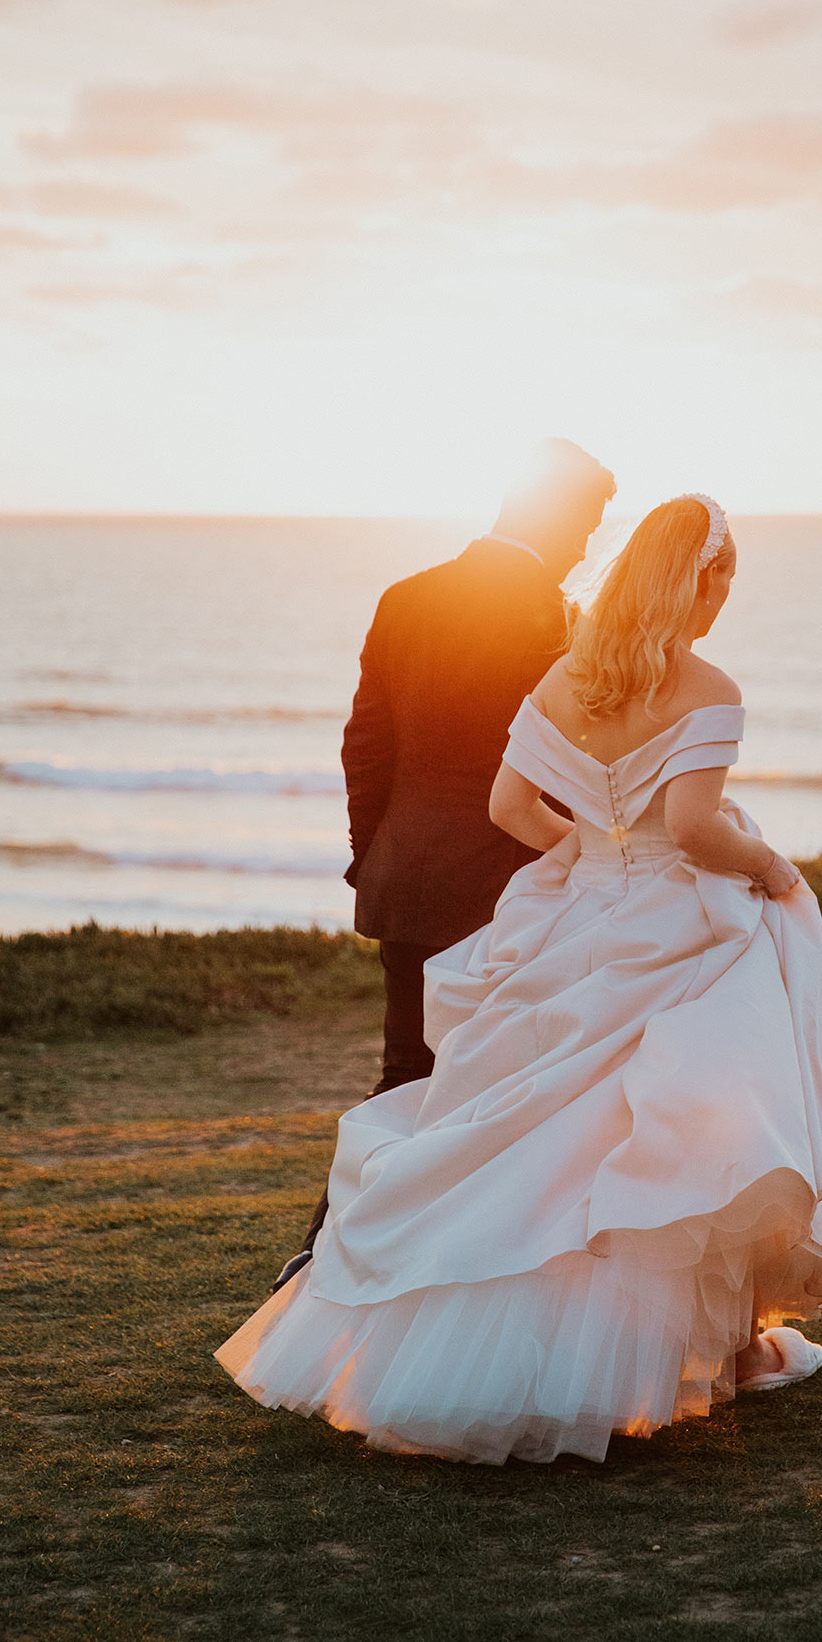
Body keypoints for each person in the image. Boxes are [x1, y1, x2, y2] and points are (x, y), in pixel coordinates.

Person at [218, 493, 822, 1464]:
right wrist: (770, 870)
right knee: (692, 1126)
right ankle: (714, 1351)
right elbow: (690, 830)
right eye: (726, 578)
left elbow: (510, 805)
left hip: (580, 911)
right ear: (706, 580)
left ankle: (672, 1348)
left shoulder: (569, 677)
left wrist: (586, 856)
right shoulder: (708, 686)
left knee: (555, 1131)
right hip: (674, 922)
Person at [269, 438, 615, 1291]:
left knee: (406, 1079)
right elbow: (566, 763)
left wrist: (374, 858)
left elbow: (365, 747)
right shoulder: (554, 621)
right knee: (513, 1090)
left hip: (410, 876)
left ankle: (320, 1262)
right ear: (562, 516)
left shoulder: (406, 598)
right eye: (590, 525)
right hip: (513, 889)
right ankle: (481, 1282)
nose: (587, 548)